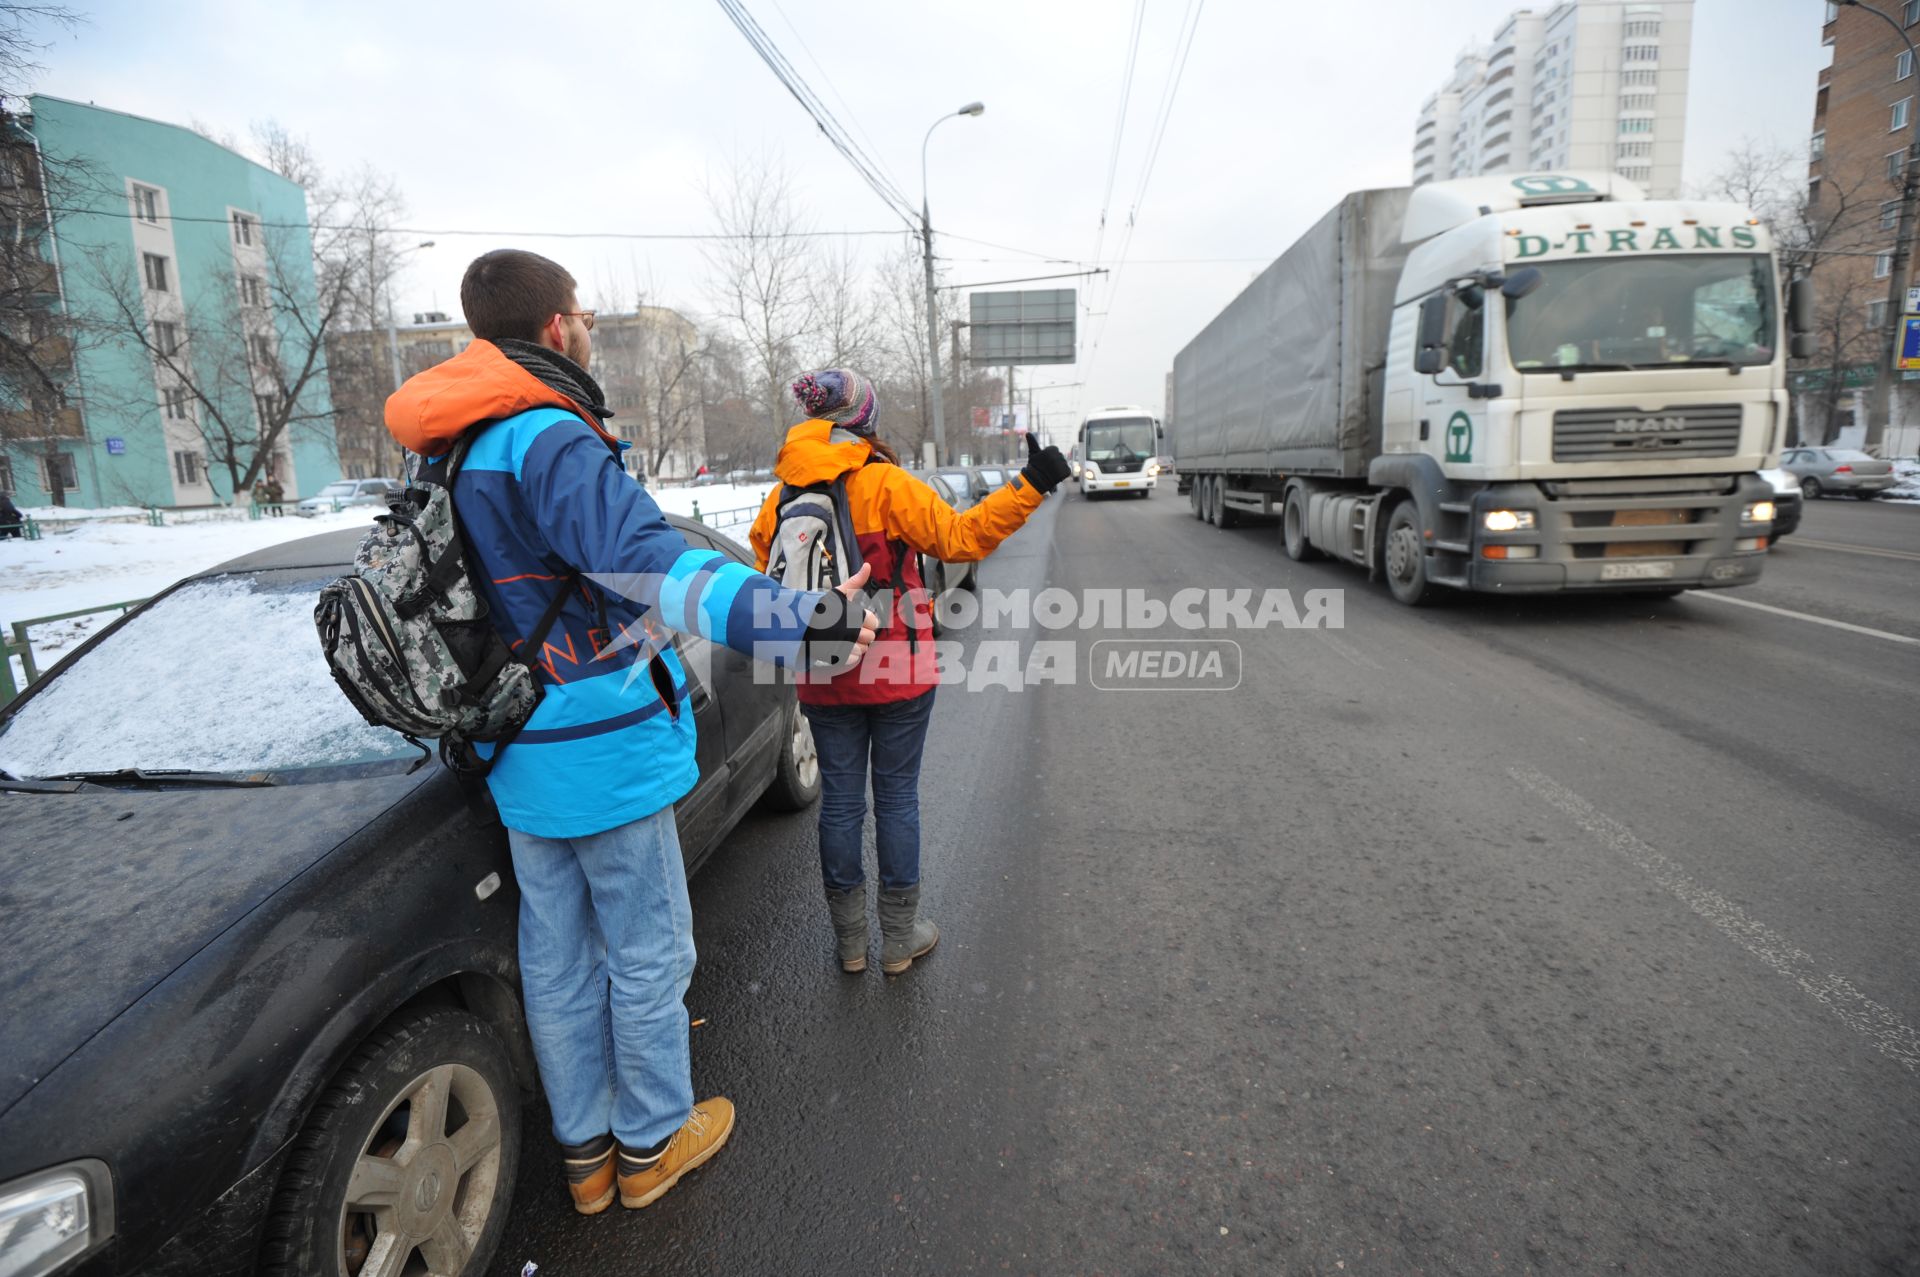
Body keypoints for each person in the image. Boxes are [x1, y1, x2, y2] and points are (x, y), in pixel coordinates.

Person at [383, 251, 876, 1217]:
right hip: (600, 744)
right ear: (557, 328)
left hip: (513, 746)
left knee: (559, 958)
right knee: (648, 952)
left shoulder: (450, 449)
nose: (589, 327)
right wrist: (798, 617)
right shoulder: (546, 436)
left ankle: (586, 1154)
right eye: (585, 315)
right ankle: (652, 1142)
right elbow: (653, 565)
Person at [750, 369, 1071, 975]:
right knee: (896, 797)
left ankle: (849, 944)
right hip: (898, 665)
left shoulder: (780, 499)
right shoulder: (886, 484)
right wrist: (1033, 483)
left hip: (822, 670)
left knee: (840, 804)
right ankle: (899, 937)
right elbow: (962, 538)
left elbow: (768, 574)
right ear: (863, 422)